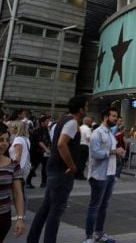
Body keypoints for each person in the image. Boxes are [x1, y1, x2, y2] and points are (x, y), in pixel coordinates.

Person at [27, 95, 87, 243]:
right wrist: (72, 166)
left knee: (46, 208)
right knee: (56, 211)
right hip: (61, 172)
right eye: (86, 106)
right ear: (81, 108)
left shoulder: (64, 120)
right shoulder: (72, 122)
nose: (87, 109)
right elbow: (61, 144)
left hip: (54, 170)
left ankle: (32, 239)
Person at [84, 107, 125, 243]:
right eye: (113, 116)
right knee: (94, 206)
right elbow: (95, 153)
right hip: (99, 175)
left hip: (110, 174)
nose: (115, 119)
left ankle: (99, 233)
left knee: (103, 206)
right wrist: (113, 152)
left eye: (116, 116)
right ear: (105, 117)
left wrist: (118, 152)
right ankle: (89, 237)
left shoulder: (109, 133)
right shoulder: (98, 133)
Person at [0, 123, 26, 241]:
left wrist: (20, 218)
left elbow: (17, 193)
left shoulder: (13, 165)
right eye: (0, 140)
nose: (4, 143)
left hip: (3, 217)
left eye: (6, 140)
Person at [27, 116, 51, 188]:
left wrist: (48, 148)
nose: (48, 123)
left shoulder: (46, 130)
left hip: (44, 153)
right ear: (42, 122)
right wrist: (46, 149)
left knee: (45, 168)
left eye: (48, 121)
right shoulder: (38, 130)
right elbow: (39, 141)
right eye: (47, 121)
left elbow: (47, 140)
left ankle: (44, 182)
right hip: (36, 152)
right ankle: (28, 182)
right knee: (33, 167)